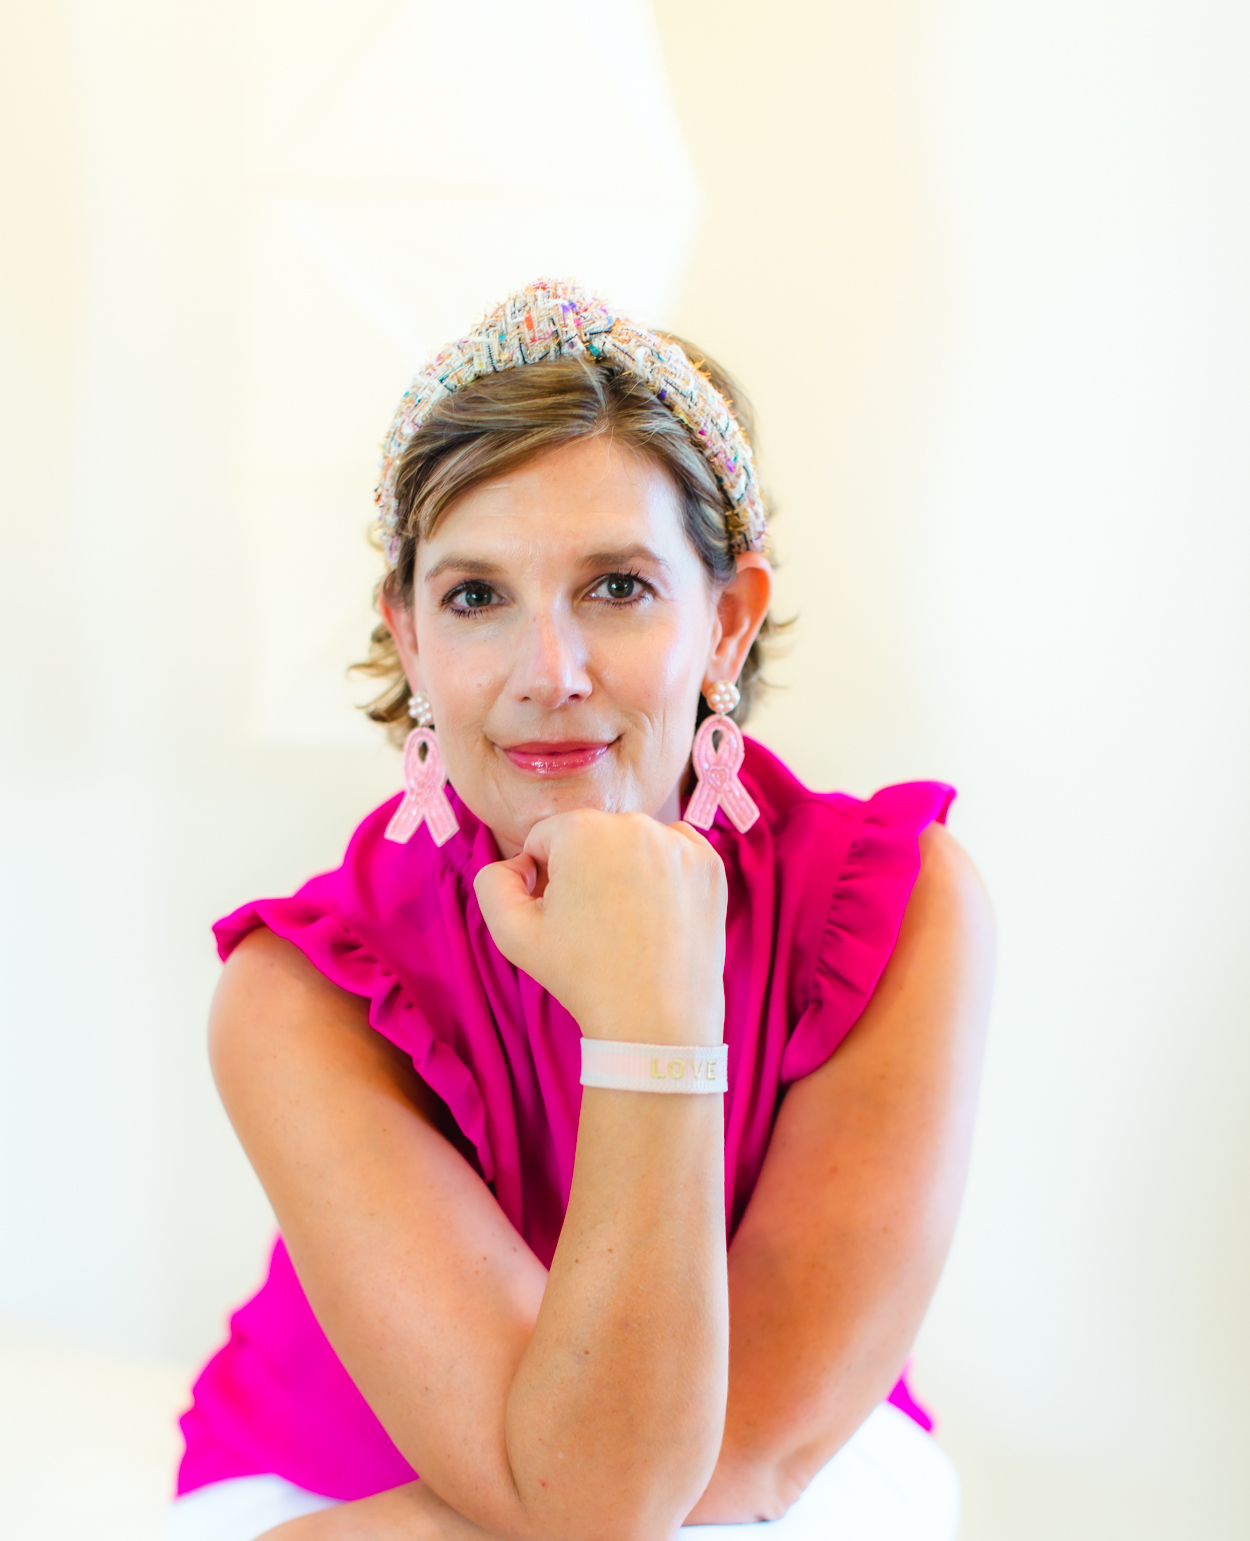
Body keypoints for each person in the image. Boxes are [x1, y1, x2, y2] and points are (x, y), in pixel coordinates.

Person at [163, 280, 994, 1541]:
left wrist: (651, 1004)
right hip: (335, 1482)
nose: (548, 672)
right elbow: (599, 1502)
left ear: (726, 620)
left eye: (614, 586)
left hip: (758, 1492)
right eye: (475, 596)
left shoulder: (903, 909)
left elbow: (720, 1470)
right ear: (410, 636)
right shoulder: (295, 994)